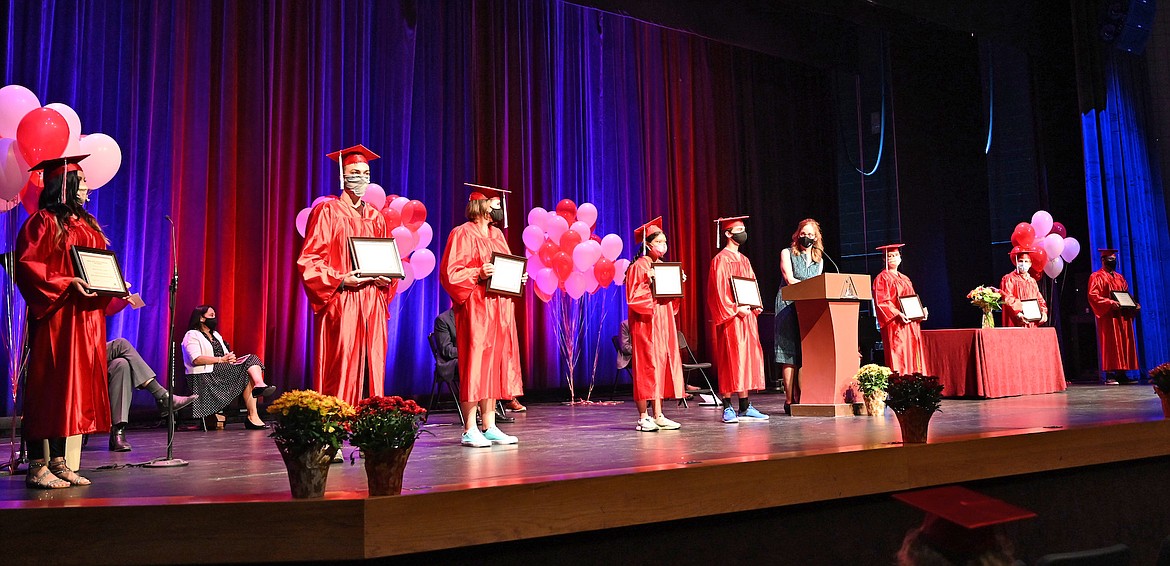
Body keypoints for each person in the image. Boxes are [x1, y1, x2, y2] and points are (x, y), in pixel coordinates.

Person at [15, 155, 110, 488]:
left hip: (84, 319)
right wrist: (66, 282)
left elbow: (99, 266)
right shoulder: (41, 223)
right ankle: (36, 466)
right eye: (83, 183)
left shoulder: (88, 224)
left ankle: (58, 462)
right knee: (48, 388)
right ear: (65, 185)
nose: (88, 189)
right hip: (56, 317)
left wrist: (114, 288)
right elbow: (28, 266)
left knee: (71, 391)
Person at [297, 144, 397, 406]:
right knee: (340, 368)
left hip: (372, 303)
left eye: (366, 173)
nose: (361, 178)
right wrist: (341, 279)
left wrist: (386, 279)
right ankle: (334, 432)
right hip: (342, 302)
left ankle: (369, 433)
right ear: (343, 176)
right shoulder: (327, 211)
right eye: (355, 172)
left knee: (371, 370)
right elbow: (309, 260)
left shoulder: (376, 217)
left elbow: (388, 261)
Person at [439, 184, 525, 447]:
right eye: (494, 203)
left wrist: (518, 278)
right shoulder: (461, 233)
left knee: (495, 364)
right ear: (480, 204)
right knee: (476, 365)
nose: (497, 208)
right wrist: (477, 272)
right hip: (475, 308)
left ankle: (489, 425)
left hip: (498, 308)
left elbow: (505, 265)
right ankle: (469, 428)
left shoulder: (497, 234)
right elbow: (450, 274)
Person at [626, 216, 686, 432]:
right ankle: (643, 416)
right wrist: (650, 283)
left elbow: (671, 300)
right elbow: (634, 298)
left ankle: (658, 414)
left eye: (665, 241)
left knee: (660, 365)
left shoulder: (663, 266)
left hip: (663, 322)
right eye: (659, 242)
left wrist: (677, 284)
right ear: (648, 244)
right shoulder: (639, 266)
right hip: (646, 323)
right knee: (646, 366)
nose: (663, 246)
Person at [706, 216, 768, 423]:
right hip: (731, 318)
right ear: (727, 233)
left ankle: (745, 405)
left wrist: (755, 303)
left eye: (744, 229)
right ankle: (727, 406)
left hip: (747, 316)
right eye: (739, 229)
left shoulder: (744, 260)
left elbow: (751, 285)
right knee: (731, 360)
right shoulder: (720, 260)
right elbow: (717, 293)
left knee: (746, 359)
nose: (743, 233)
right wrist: (734, 308)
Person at [182, 305, 276, 430]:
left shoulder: (215, 335)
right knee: (247, 368)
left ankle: (256, 399)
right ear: (201, 318)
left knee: (250, 362)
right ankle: (254, 411)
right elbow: (196, 359)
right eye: (211, 316)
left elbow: (226, 355)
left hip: (221, 371)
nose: (214, 318)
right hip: (204, 376)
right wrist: (221, 360)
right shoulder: (192, 335)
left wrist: (230, 358)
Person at [107, 338, 197, 451]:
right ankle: (163, 396)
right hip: (79, 355)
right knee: (121, 344)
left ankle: (118, 431)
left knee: (121, 364)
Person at [773, 218, 824, 414]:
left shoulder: (819, 259)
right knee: (788, 353)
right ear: (798, 234)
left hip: (809, 306)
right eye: (804, 233)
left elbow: (820, 282)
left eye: (811, 235)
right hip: (787, 304)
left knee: (805, 354)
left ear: (816, 237)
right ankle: (788, 400)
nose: (807, 237)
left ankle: (802, 397)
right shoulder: (787, 253)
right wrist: (808, 289)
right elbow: (789, 279)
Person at [432, 308, 514, 424]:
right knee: (475, 365)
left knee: (491, 362)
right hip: (452, 362)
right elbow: (447, 351)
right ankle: (475, 410)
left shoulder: (475, 317)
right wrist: (472, 352)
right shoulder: (443, 319)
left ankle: (490, 408)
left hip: (474, 360)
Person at [1087, 248, 1140, 385]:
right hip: (1108, 316)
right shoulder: (1096, 276)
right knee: (1111, 343)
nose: (1113, 261)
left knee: (1123, 341)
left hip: (1122, 315)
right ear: (1103, 260)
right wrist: (1110, 303)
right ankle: (1110, 374)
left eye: (1114, 259)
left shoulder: (1119, 277)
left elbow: (1126, 294)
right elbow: (1093, 296)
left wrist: (1134, 304)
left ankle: (1122, 373)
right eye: (1110, 259)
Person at [872, 244, 927, 375]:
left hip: (911, 323)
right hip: (896, 324)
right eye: (889, 256)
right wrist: (897, 313)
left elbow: (912, 298)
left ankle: (915, 383)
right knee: (899, 352)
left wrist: (921, 312)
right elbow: (882, 302)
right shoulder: (882, 278)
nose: (893, 258)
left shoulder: (905, 278)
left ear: (900, 258)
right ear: (884, 260)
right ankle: (900, 383)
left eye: (896, 255)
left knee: (913, 352)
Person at [999, 247, 1047, 328]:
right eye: (1021, 261)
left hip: (1032, 322)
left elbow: (1039, 299)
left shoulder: (1032, 281)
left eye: (1026, 261)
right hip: (1016, 320)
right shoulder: (1009, 279)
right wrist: (1018, 312)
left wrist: (1043, 312)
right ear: (1016, 263)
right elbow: (1007, 297)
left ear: (1030, 264)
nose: (1023, 264)